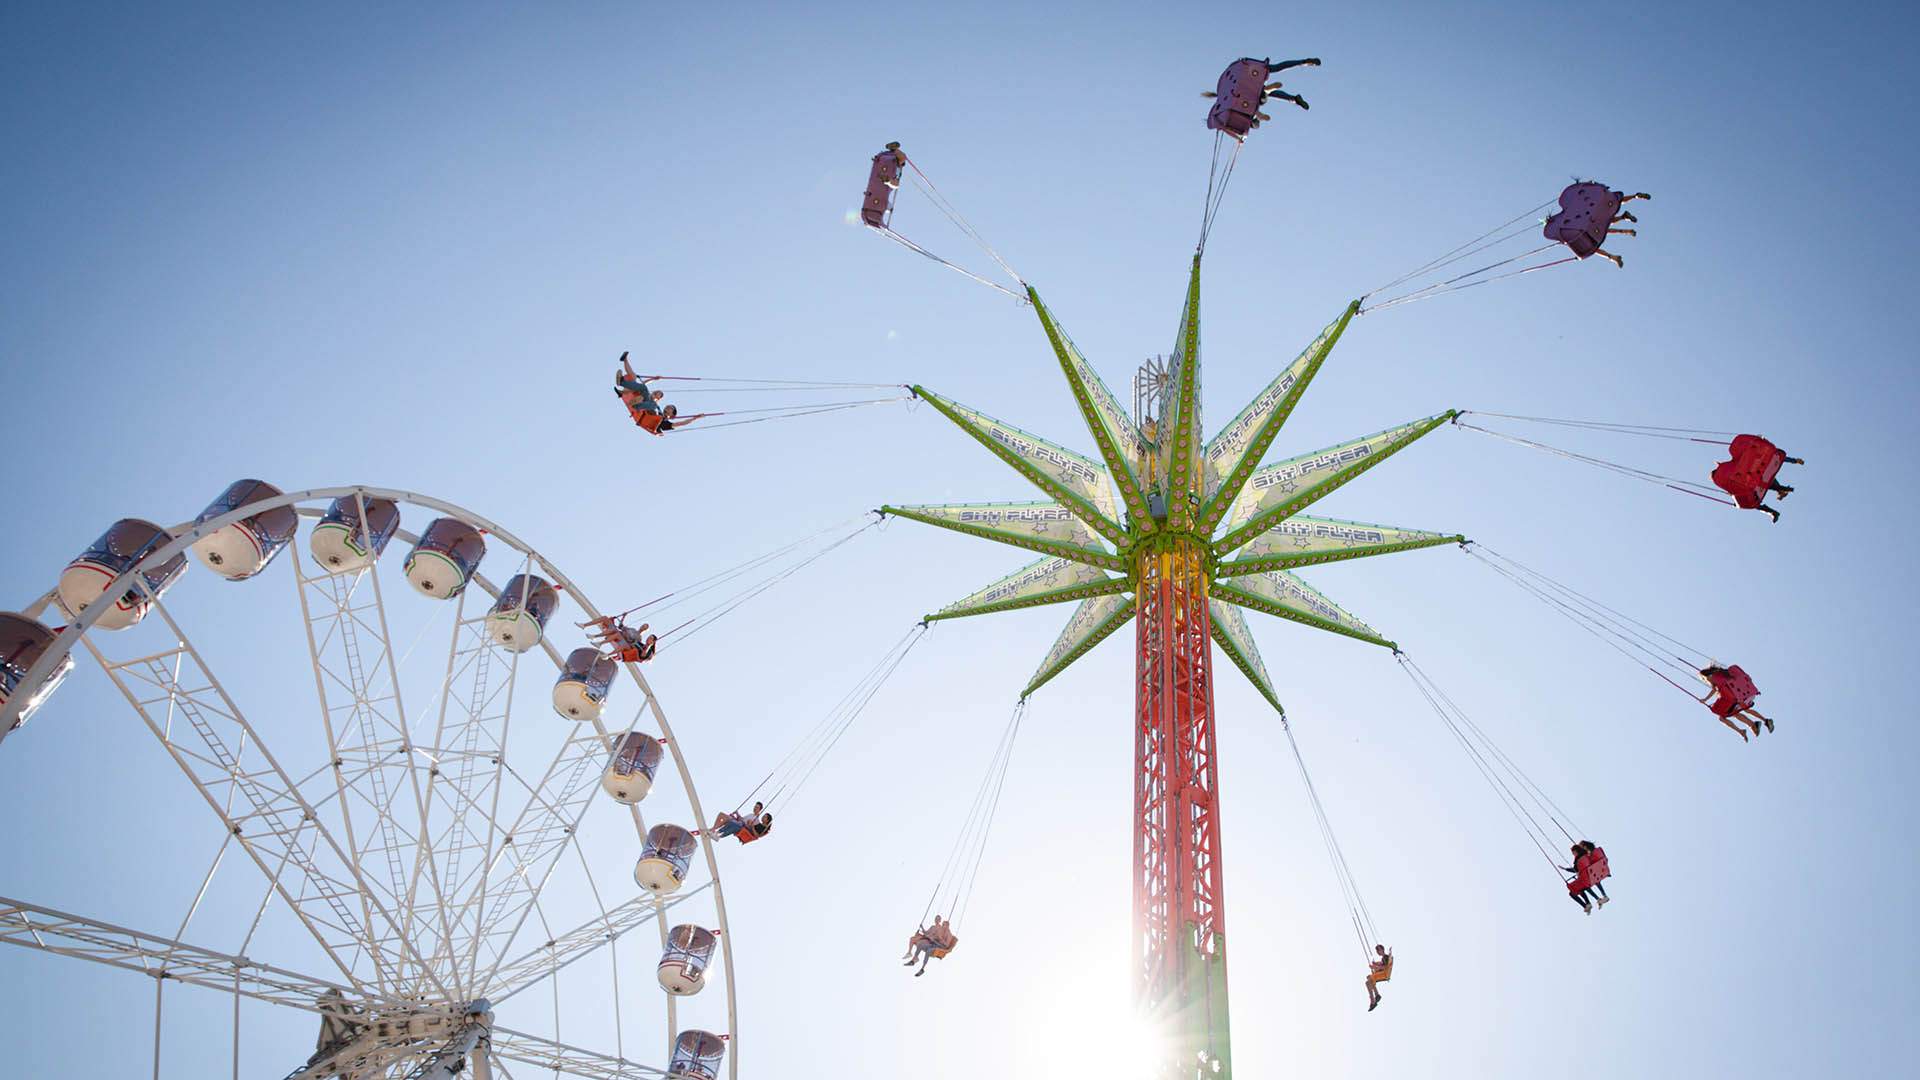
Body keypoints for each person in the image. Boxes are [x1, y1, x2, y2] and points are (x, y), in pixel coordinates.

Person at [1700, 664, 1774, 741]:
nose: (1707, 681)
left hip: (1739, 697)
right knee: (1736, 713)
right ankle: (1753, 725)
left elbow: (1714, 690)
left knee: (1731, 714)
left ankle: (1763, 721)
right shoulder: (1723, 673)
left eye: (1705, 679)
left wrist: (1705, 699)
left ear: (1708, 676)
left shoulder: (1714, 678)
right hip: (1744, 694)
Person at [1364, 944, 1393, 1011]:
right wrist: (1375, 964)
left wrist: (1375, 967)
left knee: (1368, 982)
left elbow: (1385, 967)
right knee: (1369, 979)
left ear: (1382, 950)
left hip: (1385, 974)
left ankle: (1373, 1001)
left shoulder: (1386, 957)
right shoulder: (1384, 958)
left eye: (1378, 950)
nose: (1377, 952)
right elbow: (1381, 963)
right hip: (1383, 974)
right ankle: (1377, 995)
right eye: (1376, 951)